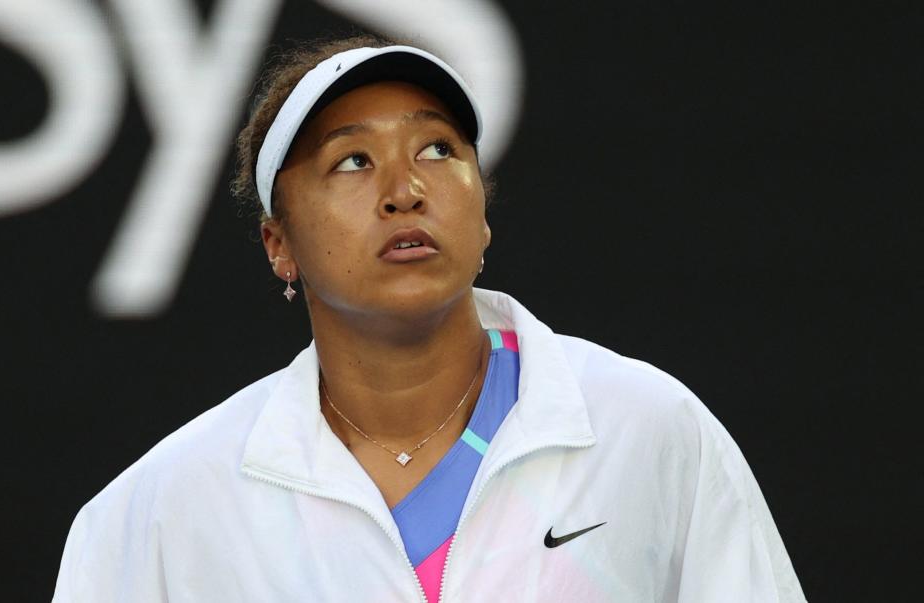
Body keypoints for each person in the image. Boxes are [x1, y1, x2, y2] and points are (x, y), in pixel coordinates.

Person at [53, 35, 806, 602]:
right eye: (352, 160)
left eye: (439, 148)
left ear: (481, 216)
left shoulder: (648, 428)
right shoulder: (159, 511)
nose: (405, 189)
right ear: (278, 244)